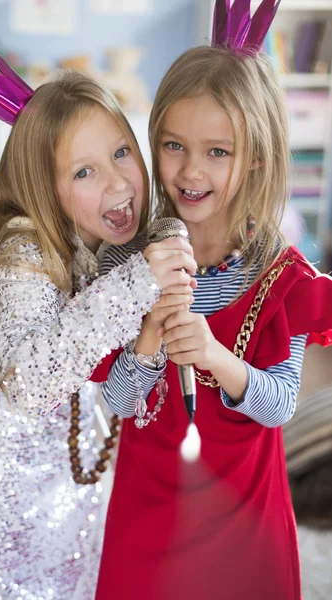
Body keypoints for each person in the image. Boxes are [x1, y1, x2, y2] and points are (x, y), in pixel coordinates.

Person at [0, 43, 196, 600]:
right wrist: (141, 281)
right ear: (43, 189)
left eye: (122, 152)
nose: (119, 183)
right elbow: (32, 380)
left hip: (70, 483)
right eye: (84, 171)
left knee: (77, 576)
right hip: (5, 507)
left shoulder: (105, 243)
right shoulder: (19, 254)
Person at [93, 2, 332, 598]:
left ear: (255, 157)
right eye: (173, 145)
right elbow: (118, 404)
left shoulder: (285, 278)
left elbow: (278, 404)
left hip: (244, 518)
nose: (190, 171)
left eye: (217, 152)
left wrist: (215, 356)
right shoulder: (125, 260)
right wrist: (148, 336)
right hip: (149, 507)